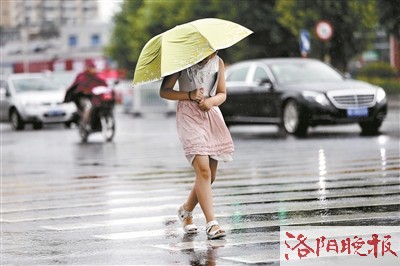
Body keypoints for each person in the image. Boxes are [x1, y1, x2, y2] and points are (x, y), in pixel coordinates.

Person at [160, 51, 234, 240]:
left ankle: (185, 211)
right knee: (203, 171)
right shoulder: (182, 61)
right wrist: (189, 94)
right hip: (188, 116)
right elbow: (164, 91)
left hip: (211, 115)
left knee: (210, 175)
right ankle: (211, 223)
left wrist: (211, 101)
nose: (210, 54)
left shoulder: (218, 62)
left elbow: (222, 93)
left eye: (213, 50)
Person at [64, 60, 108, 129]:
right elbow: (78, 86)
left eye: (94, 68)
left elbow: (104, 85)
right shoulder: (81, 76)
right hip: (83, 97)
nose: (94, 69)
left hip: (95, 97)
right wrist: (84, 90)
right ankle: (84, 124)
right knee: (88, 106)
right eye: (92, 68)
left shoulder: (97, 76)